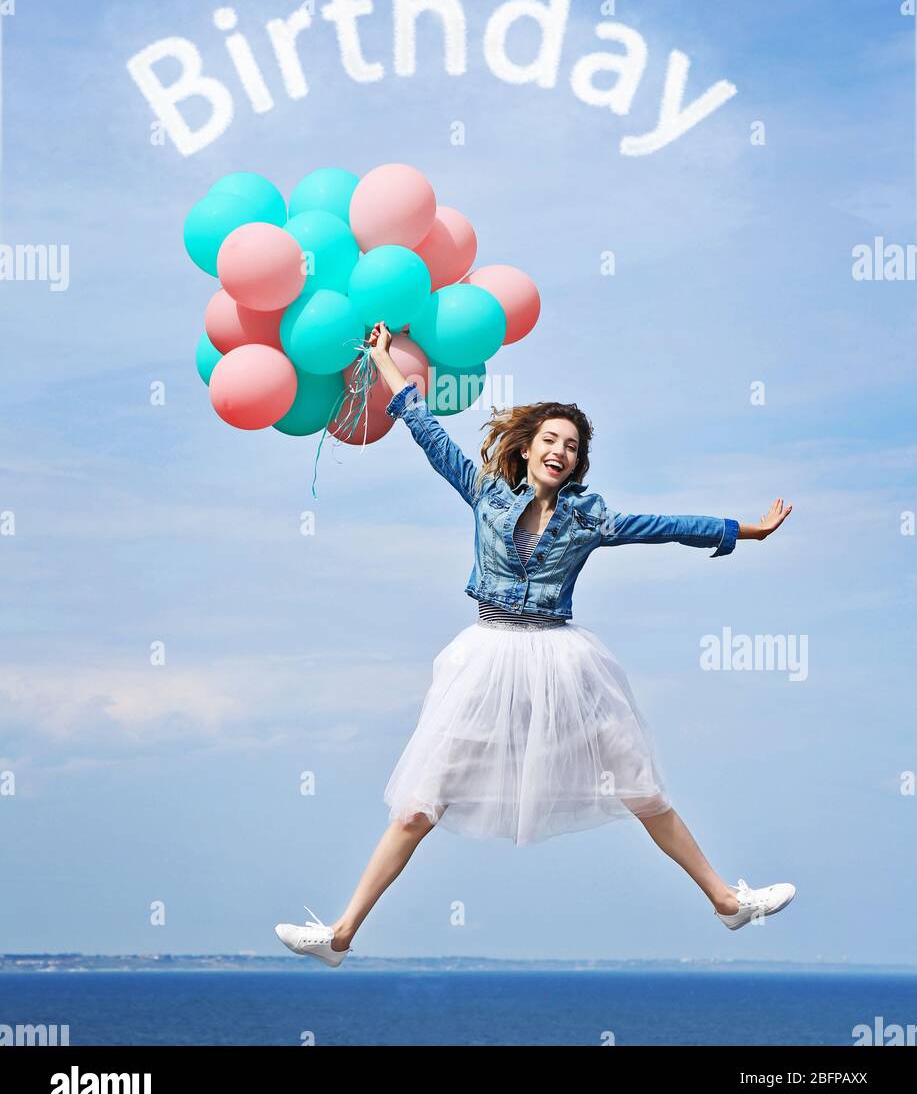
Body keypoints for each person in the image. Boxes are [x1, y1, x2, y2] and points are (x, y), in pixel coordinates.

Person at [275, 321, 796, 965]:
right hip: (486, 657)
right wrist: (383, 358)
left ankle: (726, 901)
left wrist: (747, 531)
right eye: (550, 439)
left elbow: (667, 526)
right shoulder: (485, 493)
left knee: (639, 786)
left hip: (561, 660)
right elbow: (422, 426)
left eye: (571, 445)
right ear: (525, 450)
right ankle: (340, 935)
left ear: (577, 461)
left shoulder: (591, 517)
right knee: (418, 806)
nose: (561, 450)